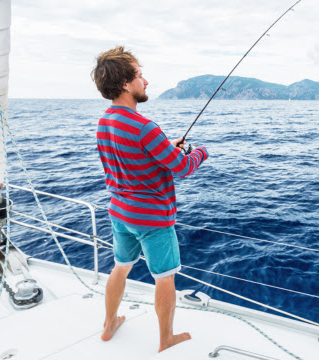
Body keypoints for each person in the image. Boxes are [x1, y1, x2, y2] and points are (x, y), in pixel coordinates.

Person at [91, 45, 208, 352]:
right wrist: (200, 152)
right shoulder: (145, 128)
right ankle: (166, 338)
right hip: (153, 220)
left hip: (120, 214)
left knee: (121, 267)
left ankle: (108, 325)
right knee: (165, 279)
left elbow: (131, 155)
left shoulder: (105, 122)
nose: (146, 82)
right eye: (140, 76)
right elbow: (182, 166)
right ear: (126, 84)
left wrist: (166, 145)